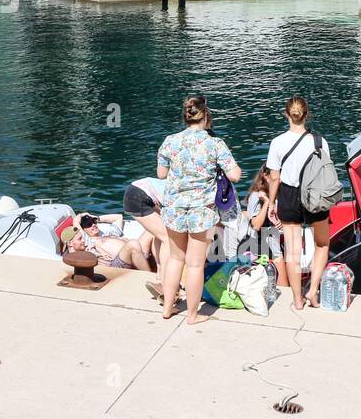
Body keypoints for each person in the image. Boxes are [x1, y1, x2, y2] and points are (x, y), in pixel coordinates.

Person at [155, 95, 242, 323]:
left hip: (174, 207)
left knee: (175, 258)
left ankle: (167, 308)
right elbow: (235, 175)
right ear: (206, 115)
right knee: (194, 264)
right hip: (200, 210)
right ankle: (192, 315)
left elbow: (161, 174)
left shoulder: (170, 141)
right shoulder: (214, 143)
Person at [266, 96, 332, 309]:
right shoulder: (320, 141)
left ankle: (297, 300)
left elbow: (274, 178)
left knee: (292, 251)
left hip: (289, 195)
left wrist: (271, 203)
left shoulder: (277, 142)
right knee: (322, 244)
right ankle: (313, 291)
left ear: (287, 115)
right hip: (314, 195)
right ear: (307, 114)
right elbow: (326, 171)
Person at [121, 176, 171, 291]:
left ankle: (159, 274)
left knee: (159, 236)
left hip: (134, 191)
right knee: (169, 238)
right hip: (140, 196)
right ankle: (164, 283)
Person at [245, 166, 288, 286]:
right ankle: (283, 290)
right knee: (278, 257)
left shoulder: (279, 194)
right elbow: (256, 225)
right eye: (276, 176)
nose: (279, 180)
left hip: (276, 241)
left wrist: (282, 223)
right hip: (260, 245)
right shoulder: (256, 196)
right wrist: (266, 203)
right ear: (265, 175)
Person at [73, 213, 151, 270]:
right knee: (133, 244)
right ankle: (148, 276)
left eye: (93, 222)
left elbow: (118, 217)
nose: (93, 225)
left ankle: (160, 272)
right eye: (88, 224)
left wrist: (96, 218)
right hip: (118, 263)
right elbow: (75, 221)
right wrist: (81, 215)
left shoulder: (108, 233)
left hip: (137, 253)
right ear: (83, 230)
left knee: (152, 231)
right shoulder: (88, 241)